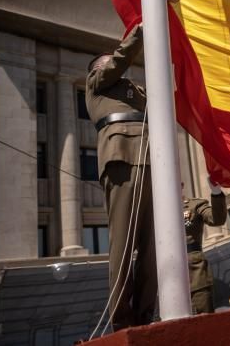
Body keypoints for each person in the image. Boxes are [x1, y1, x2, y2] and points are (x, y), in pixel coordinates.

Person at [86, 24, 156, 330]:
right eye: (106, 60)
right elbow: (117, 62)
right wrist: (139, 33)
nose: (111, 62)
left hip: (154, 160)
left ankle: (145, 314)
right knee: (124, 244)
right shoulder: (97, 82)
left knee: (154, 246)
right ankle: (122, 319)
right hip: (122, 159)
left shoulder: (135, 91)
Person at [183, 180, 227, 314]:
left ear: (181, 185)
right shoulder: (156, 212)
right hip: (166, 275)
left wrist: (216, 192)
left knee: (202, 315)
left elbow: (217, 219)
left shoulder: (195, 205)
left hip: (194, 272)